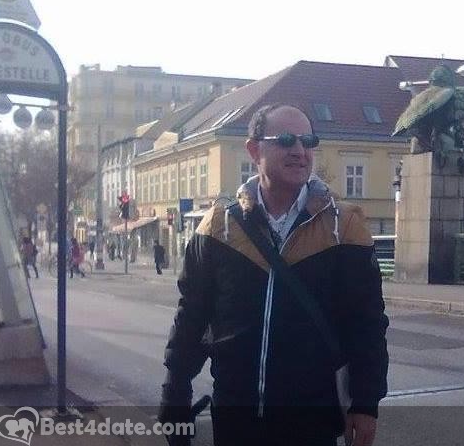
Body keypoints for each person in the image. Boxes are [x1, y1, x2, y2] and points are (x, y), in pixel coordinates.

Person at [159, 104, 389, 446]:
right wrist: (175, 390)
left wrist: (366, 403)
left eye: (307, 141)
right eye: (284, 140)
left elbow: (366, 322)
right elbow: (192, 314)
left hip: (312, 422)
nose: (299, 150)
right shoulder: (219, 226)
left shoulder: (344, 227)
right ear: (254, 150)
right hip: (235, 418)